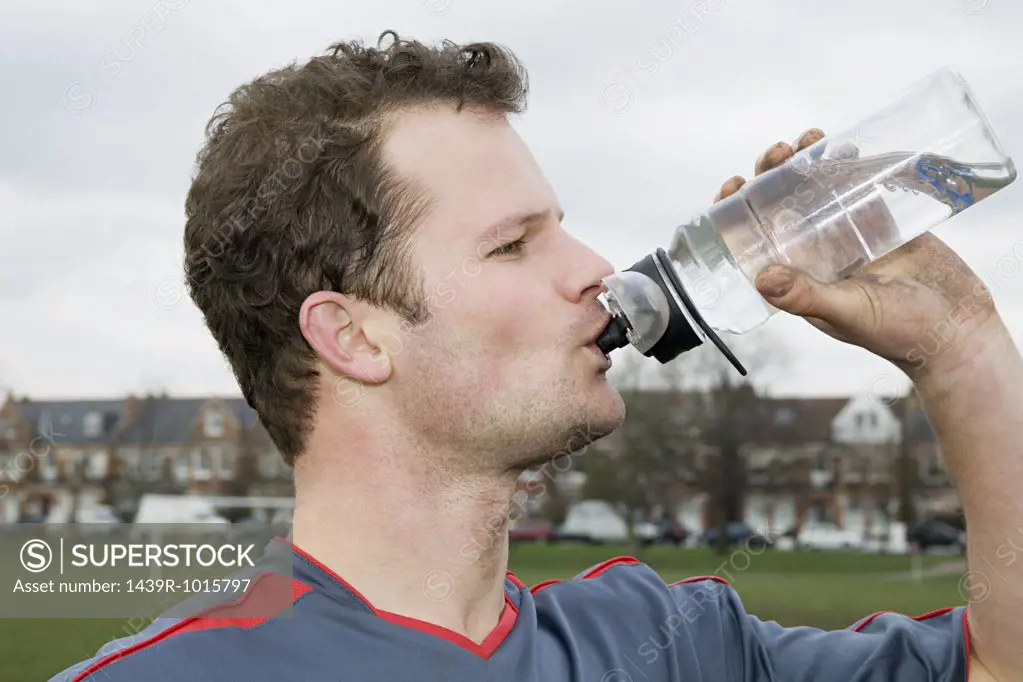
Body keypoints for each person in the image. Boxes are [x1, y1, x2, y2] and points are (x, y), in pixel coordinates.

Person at [51, 31, 1021, 682]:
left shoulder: (674, 645)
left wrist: (960, 348)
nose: (595, 268)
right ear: (351, 335)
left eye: (561, 227)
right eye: (514, 244)